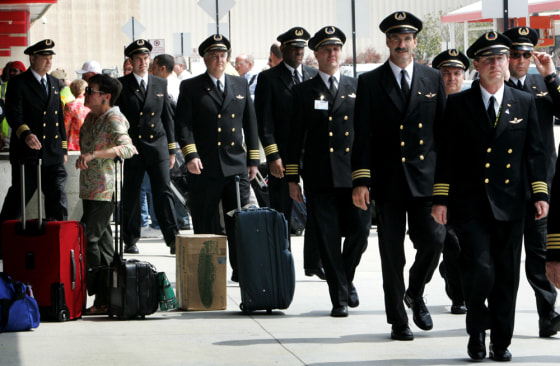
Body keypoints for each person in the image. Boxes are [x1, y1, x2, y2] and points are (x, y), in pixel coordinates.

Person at [432, 31, 549, 362]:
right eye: (488, 59)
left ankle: (500, 340)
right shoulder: (457, 104)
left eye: (501, 58)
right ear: (476, 66)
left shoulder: (523, 102)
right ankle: (476, 332)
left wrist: (539, 194)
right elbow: (447, 155)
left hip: (512, 204)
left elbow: (534, 153)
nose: (496, 64)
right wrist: (440, 199)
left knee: (507, 276)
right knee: (480, 270)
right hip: (471, 205)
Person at [351, 11, 446, 341]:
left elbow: (443, 134)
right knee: (392, 256)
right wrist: (361, 180)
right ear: (388, 42)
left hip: (425, 181)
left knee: (435, 241)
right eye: (396, 38)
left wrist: (444, 186)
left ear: (415, 42)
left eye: (407, 38)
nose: (401, 44)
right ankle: (398, 321)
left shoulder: (432, 79)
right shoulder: (370, 82)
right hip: (388, 182)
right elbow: (362, 135)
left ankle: (415, 292)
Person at [287, 26, 370, 318]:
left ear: (341, 53)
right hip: (321, 177)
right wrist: (292, 177)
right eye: (326, 49)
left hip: (355, 177)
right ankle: (339, 297)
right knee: (329, 238)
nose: (332, 54)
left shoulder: (357, 87)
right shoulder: (303, 91)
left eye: (336, 49)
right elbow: (294, 137)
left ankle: (345, 280)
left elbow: (367, 134)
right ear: (317, 55)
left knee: (360, 232)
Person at [175, 34, 260, 281]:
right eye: (214, 56)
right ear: (205, 59)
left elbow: (250, 124)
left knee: (238, 222)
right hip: (205, 167)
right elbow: (183, 125)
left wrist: (252, 160)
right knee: (206, 221)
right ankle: (208, 273)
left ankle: (240, 270)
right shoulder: (191, 87)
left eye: (223, 55)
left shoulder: (239, 84)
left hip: (235, 166)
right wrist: (190, 155)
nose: (219, 60)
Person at [502, 26, 560, 338]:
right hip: (506, 188)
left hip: (541, 188)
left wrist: (551, 76)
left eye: (526, 54)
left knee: (540, 254)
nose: (521, 60)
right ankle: (500, 319)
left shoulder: (542, 84)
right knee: (506, 258)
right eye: (515, 54)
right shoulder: (493, 85)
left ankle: (547, 313)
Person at [254, 27, 324, 280]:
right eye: (293, 47)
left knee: (318, 208)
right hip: (283, 155)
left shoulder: (314, 75)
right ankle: (282, 260)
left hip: (312, 153)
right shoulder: (269, 79)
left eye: (301, 47)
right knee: (282, 210)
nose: (298, 51)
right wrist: (273, 157)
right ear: (282, 49)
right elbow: (265, 122)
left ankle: (314, 262)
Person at [0, 39, 69, 257]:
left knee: (58, 196)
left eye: (51, 57)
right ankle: (3, 242)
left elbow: (59, 118)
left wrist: (64, 148)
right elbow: (14, 113)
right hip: (27, 155)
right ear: (32, 58)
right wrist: (26, 133)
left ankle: (58, 240)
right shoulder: (19, 83)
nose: (49, 61)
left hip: (53, 152)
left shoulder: (55, 83)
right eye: (44, 57)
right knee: (18, 199)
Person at [76, 74, 137, 315]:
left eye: (91, 90)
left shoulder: (114, 117)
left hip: (105, 190)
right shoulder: (91, 117)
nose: (86, 94)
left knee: (89, 238)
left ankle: (99, 292)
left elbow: (127, 148)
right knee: (103, 244)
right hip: (89, 188)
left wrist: (94, 155)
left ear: (106, 97)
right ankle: (109, 297)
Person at [116, 39, 179, 255]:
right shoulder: (122, 86)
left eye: (146, 58)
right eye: (139, 59)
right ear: (131, 62)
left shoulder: (160, 84)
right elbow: (117, 120)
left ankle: (172, 238)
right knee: (132, 194)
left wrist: (171, 149)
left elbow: (167, 118)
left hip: (158, 146)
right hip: (133, 148)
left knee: (163, 191)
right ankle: (130, 239)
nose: (143, 62)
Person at [431, 49, 469, 315]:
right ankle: (458, 296)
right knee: (450, 243)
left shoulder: (474, 104)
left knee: (467, 245)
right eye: (446, 74)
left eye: (457, 73)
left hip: (469, 188)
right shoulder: (430, 105)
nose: (452, 78)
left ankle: (457, 281)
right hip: (438, 187)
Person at [64, 79, 90, 151]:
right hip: (91, 143)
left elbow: (65, 127)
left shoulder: (70, 106)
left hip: (75, 144)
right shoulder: (92, 104)